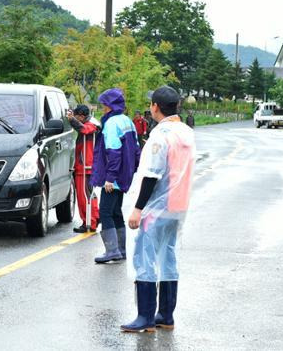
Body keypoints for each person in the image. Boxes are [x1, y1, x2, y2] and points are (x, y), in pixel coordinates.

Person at [120, 86, 196, 333]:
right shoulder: (186, 132)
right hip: (178, 207)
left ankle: (145, 317)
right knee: (168, 257)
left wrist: (137, 208)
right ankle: (165, 315)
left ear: (155, 106)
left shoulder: (160, 135)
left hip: (156, 207)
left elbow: (152, 175)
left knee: (145, 257)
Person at [90, 88, 140, 264]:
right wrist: (130, 170)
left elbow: (113, 152)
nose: (103, 109)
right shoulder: (127, 121)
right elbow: (136, 148)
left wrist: (109, 178)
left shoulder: (111, 124)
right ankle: (121, 250)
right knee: (116, 211)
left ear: (110, 106)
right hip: (124, 174)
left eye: (104, 105)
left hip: (114, 177)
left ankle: (112, 250)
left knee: (105, 211)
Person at [66, 105, 100, 233]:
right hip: (82, 165)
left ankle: (91, 221)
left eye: (76, 116)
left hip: (87, 166)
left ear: (81, 116)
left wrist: (71, 120)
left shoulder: (92, 124)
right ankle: (92, 219)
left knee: (85, 195)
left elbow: (84, 130)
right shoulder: (90, 122)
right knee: (86, 194)